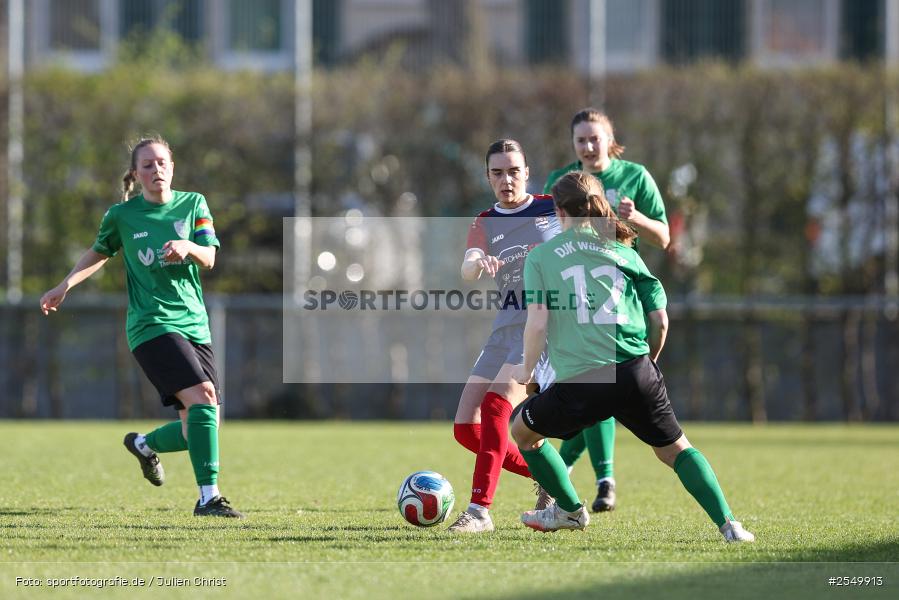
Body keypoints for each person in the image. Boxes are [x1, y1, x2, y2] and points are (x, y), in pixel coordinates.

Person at [509, 171, 754, 542]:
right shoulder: (623, 251)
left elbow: (537, 324)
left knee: (522, 431)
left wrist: (527, 373)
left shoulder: (541, 257)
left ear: (559, 212)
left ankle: (570, 511)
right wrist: (648, 362)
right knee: (676, 450)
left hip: (583, 380)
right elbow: (661, 320)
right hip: (636, 369)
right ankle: (730, 525)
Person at [39, 136, 243, 518]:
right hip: (150, 325)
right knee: (203, 394)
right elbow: (99, 251)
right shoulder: (121, 215)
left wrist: (188, 248)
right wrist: (65, 284)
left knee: (199, 423)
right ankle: (209, 498)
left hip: (195, 324)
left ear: (172, 167)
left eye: (161, 162)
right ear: (136, 173)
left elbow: (210, 257)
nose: (156, 170)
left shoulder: (194, 203)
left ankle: (144, 444)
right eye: (146, 165)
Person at [542, 107, 671, 513]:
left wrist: (640, 219)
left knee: (595, 386)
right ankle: (595, 479)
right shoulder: (561, 182)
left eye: (594, 138)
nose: (588, 146)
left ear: (609, 138)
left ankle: (581, 476)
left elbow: (664, 237)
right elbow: (548, 234)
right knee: (598, 390)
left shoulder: (635, 177)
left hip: (619, 297)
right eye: (580, 140)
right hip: (576, 294)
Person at [448, 139, 561, 533]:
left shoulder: (553, 207)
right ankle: (548, 475)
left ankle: (479, 511)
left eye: (514, 171)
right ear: (488, 177)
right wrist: (477, 261)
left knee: (498, 406)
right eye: (498, 172)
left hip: (543, 325)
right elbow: (467, 269)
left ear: (527, 172)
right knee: (466, 428)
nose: (506, 179)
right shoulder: (484, 221)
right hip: (505, 326)